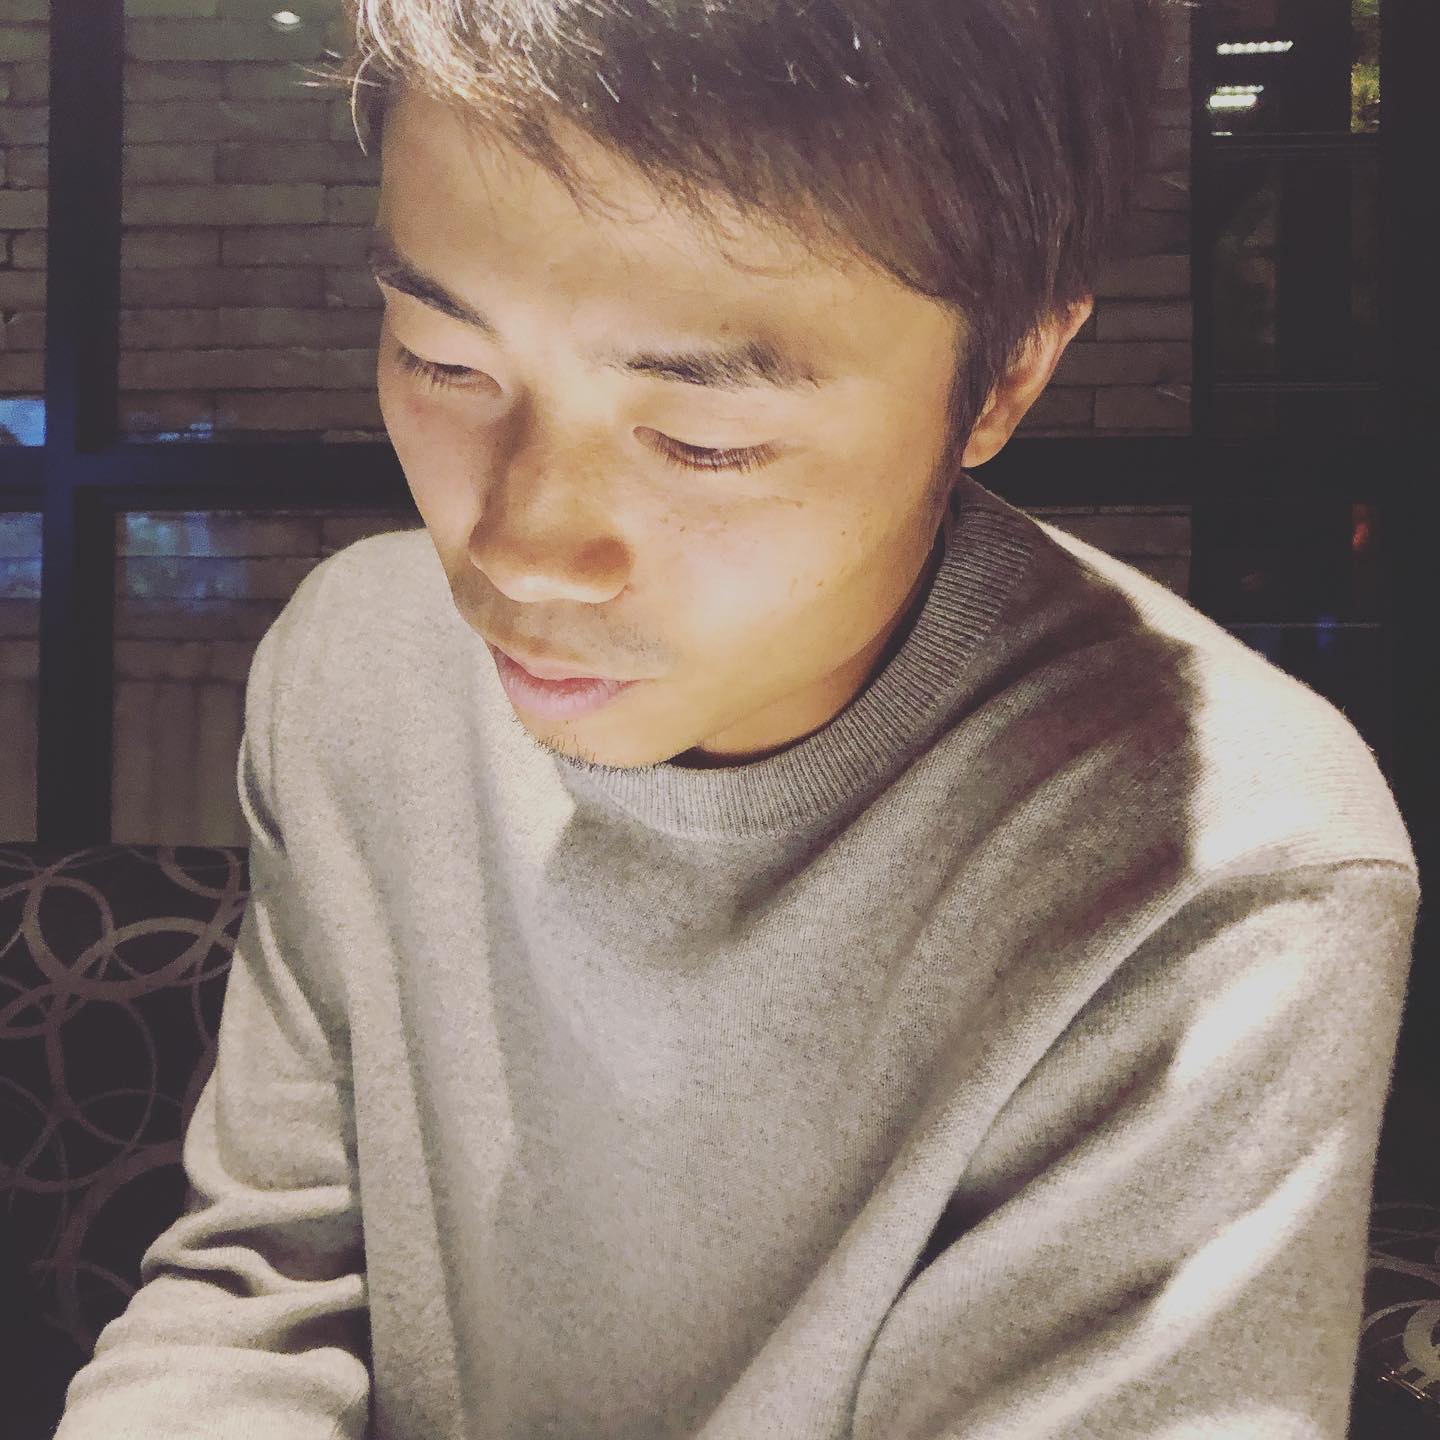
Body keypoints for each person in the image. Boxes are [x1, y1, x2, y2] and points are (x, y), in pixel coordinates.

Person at [54, 1, 1420, 1436]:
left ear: (1007, 374)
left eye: (705, 437)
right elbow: (260, 1288)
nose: (520, 550)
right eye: (443, 359)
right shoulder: (363, 665)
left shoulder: (1225, 869)